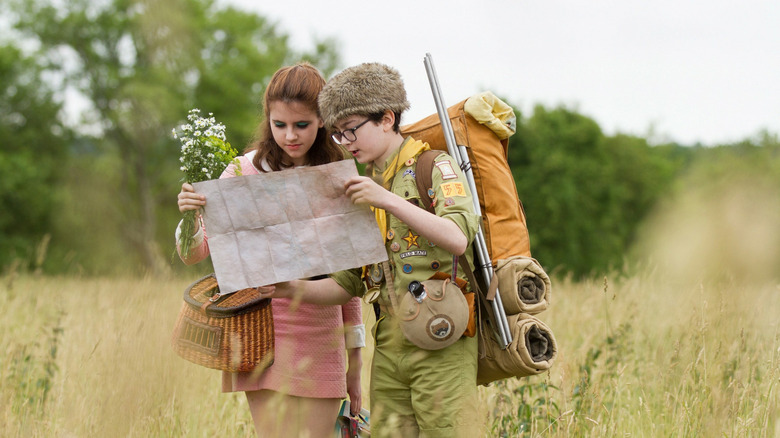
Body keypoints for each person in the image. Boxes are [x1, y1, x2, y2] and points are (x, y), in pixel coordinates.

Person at [258, 62, 482, 437]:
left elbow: (458, 237)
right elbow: (347, 284)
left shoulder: (433, 167)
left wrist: (389, 201)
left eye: (352, 130)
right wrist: (287, 288)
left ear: (387, 119)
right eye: (339, 134)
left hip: (442, 336)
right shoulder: (363, 188)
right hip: (391, 348)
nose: (346, 143)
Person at [175, 62, 364, 437]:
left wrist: (356, 361)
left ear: (323, 120)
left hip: (320, 328)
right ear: (268, 119)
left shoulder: (340, 173)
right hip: (258, 328)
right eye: (279, 125)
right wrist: (190, 217)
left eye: (301, 125)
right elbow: (193, 254)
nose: (290, 136)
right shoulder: (244, 170)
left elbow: (350, 280)